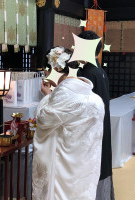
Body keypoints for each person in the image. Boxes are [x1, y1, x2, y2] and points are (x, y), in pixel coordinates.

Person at [32, 47, 105, 200]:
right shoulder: (94, 97)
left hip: (62, 172)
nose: (45, 77)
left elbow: (43, 119)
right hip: (84, 167)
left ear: (55, 69)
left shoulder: (64, 95)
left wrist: (47, 96)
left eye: (46, 72)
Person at [77, 31, 114, 200]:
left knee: (92, 169)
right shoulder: (98, 70)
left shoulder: (87, 74)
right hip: (100, 127)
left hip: (91, 130)